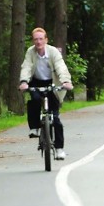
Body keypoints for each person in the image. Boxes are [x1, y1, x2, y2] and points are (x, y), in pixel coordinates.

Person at [18, 27, 74, 160]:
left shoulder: (53, 52)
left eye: (41, 39)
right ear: (33, 41)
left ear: (46, 40)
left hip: (52, 83)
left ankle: (59, 149)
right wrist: (24, 81)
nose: (38, 42)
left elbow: (61, 66)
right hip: (36, 83)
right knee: (34, 101)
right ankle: (35, 128)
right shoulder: (30, 52)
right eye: (36, 39)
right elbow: (26, 67)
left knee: (56, 119)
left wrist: (65, 81)